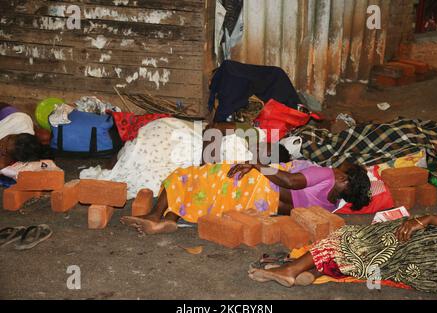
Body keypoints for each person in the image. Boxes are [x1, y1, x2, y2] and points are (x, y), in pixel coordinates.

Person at [120, 160, 371, 235]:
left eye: (342, 168)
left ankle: (155, 215)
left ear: (344, 180)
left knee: (190, 175)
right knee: (206, 191)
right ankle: (171, 217)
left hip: (259, 185)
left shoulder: (327, 174)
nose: (337, 166)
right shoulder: (331, 204)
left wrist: (257, 165)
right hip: (263, 205)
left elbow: (290, 181)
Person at [80, 117, 290, 199]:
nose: (263, 153)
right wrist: (207, 164)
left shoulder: (251, 163)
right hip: (187, 140)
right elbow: (213, 129)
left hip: (187, 160)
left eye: (267, 157)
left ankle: (114, 166)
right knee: (146, 152)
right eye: (267, 150)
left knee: (153, 181)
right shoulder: (252, 133)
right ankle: (114, 163)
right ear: (267, 143)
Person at [247, 215, 437, 295]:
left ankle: (291, 269)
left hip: (433, 249)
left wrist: (428, 218)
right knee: (380, 262)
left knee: (357, 239)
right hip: (433, 279)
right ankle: (313, 271)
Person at [0, 103, 49, 169]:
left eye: (5, 149)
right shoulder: (21, 121)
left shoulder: (19, 154)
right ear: (17, 134)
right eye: (8, 138)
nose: (2, 142)